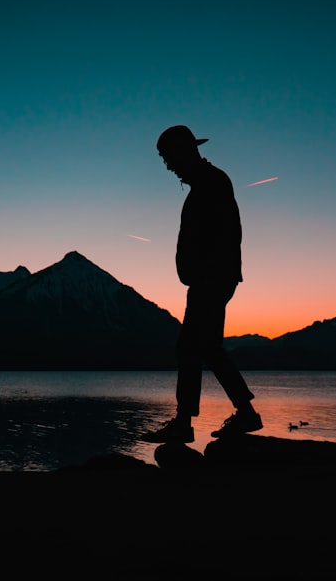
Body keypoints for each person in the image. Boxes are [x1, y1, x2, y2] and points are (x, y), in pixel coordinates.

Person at [141, 125, 263, 443]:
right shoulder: (207, 184)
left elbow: (223, 235)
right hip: (212, 278)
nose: (168, 166)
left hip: (211, 279)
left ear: (186, 152)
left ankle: (185, 424)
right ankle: (245, 414)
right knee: (207, 348)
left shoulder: (211, 183)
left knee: (190, 348)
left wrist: (203, 273)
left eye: (169, 158)